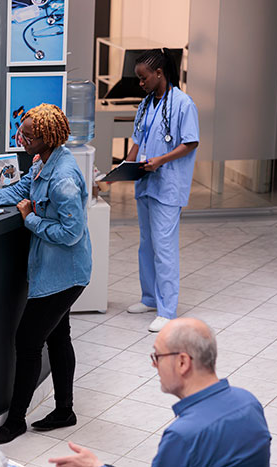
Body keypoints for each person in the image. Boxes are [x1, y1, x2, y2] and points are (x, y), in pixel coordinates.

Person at [0, 104, 92, 444]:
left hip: (66, 275)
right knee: (58, 337)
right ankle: (65, 410)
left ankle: (15, 421)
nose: (20, 139)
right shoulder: (44, 161)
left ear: (45, 138)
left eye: (26, 135)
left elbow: (71, 233)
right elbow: (20, 190)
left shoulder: (62, 180)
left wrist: (30, 219)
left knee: (27, 342)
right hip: (56, 272)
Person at [48, 318, 271, 467]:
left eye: (158, 356)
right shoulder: (249, 402)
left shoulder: (184, 435)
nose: (154, 365)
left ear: (183, 362)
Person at [122, 48, 200, 333]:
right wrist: (121, 168)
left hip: (167, 185)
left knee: (164, 248)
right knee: (147, 244)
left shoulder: (183, 103)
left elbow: (190, 142)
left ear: (159, 73)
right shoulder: (145, 105)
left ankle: (167, 309)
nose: (140, 83)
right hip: (145, 183)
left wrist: (161, 160)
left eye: (143, 78)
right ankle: (150, 298)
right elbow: (137, 141)